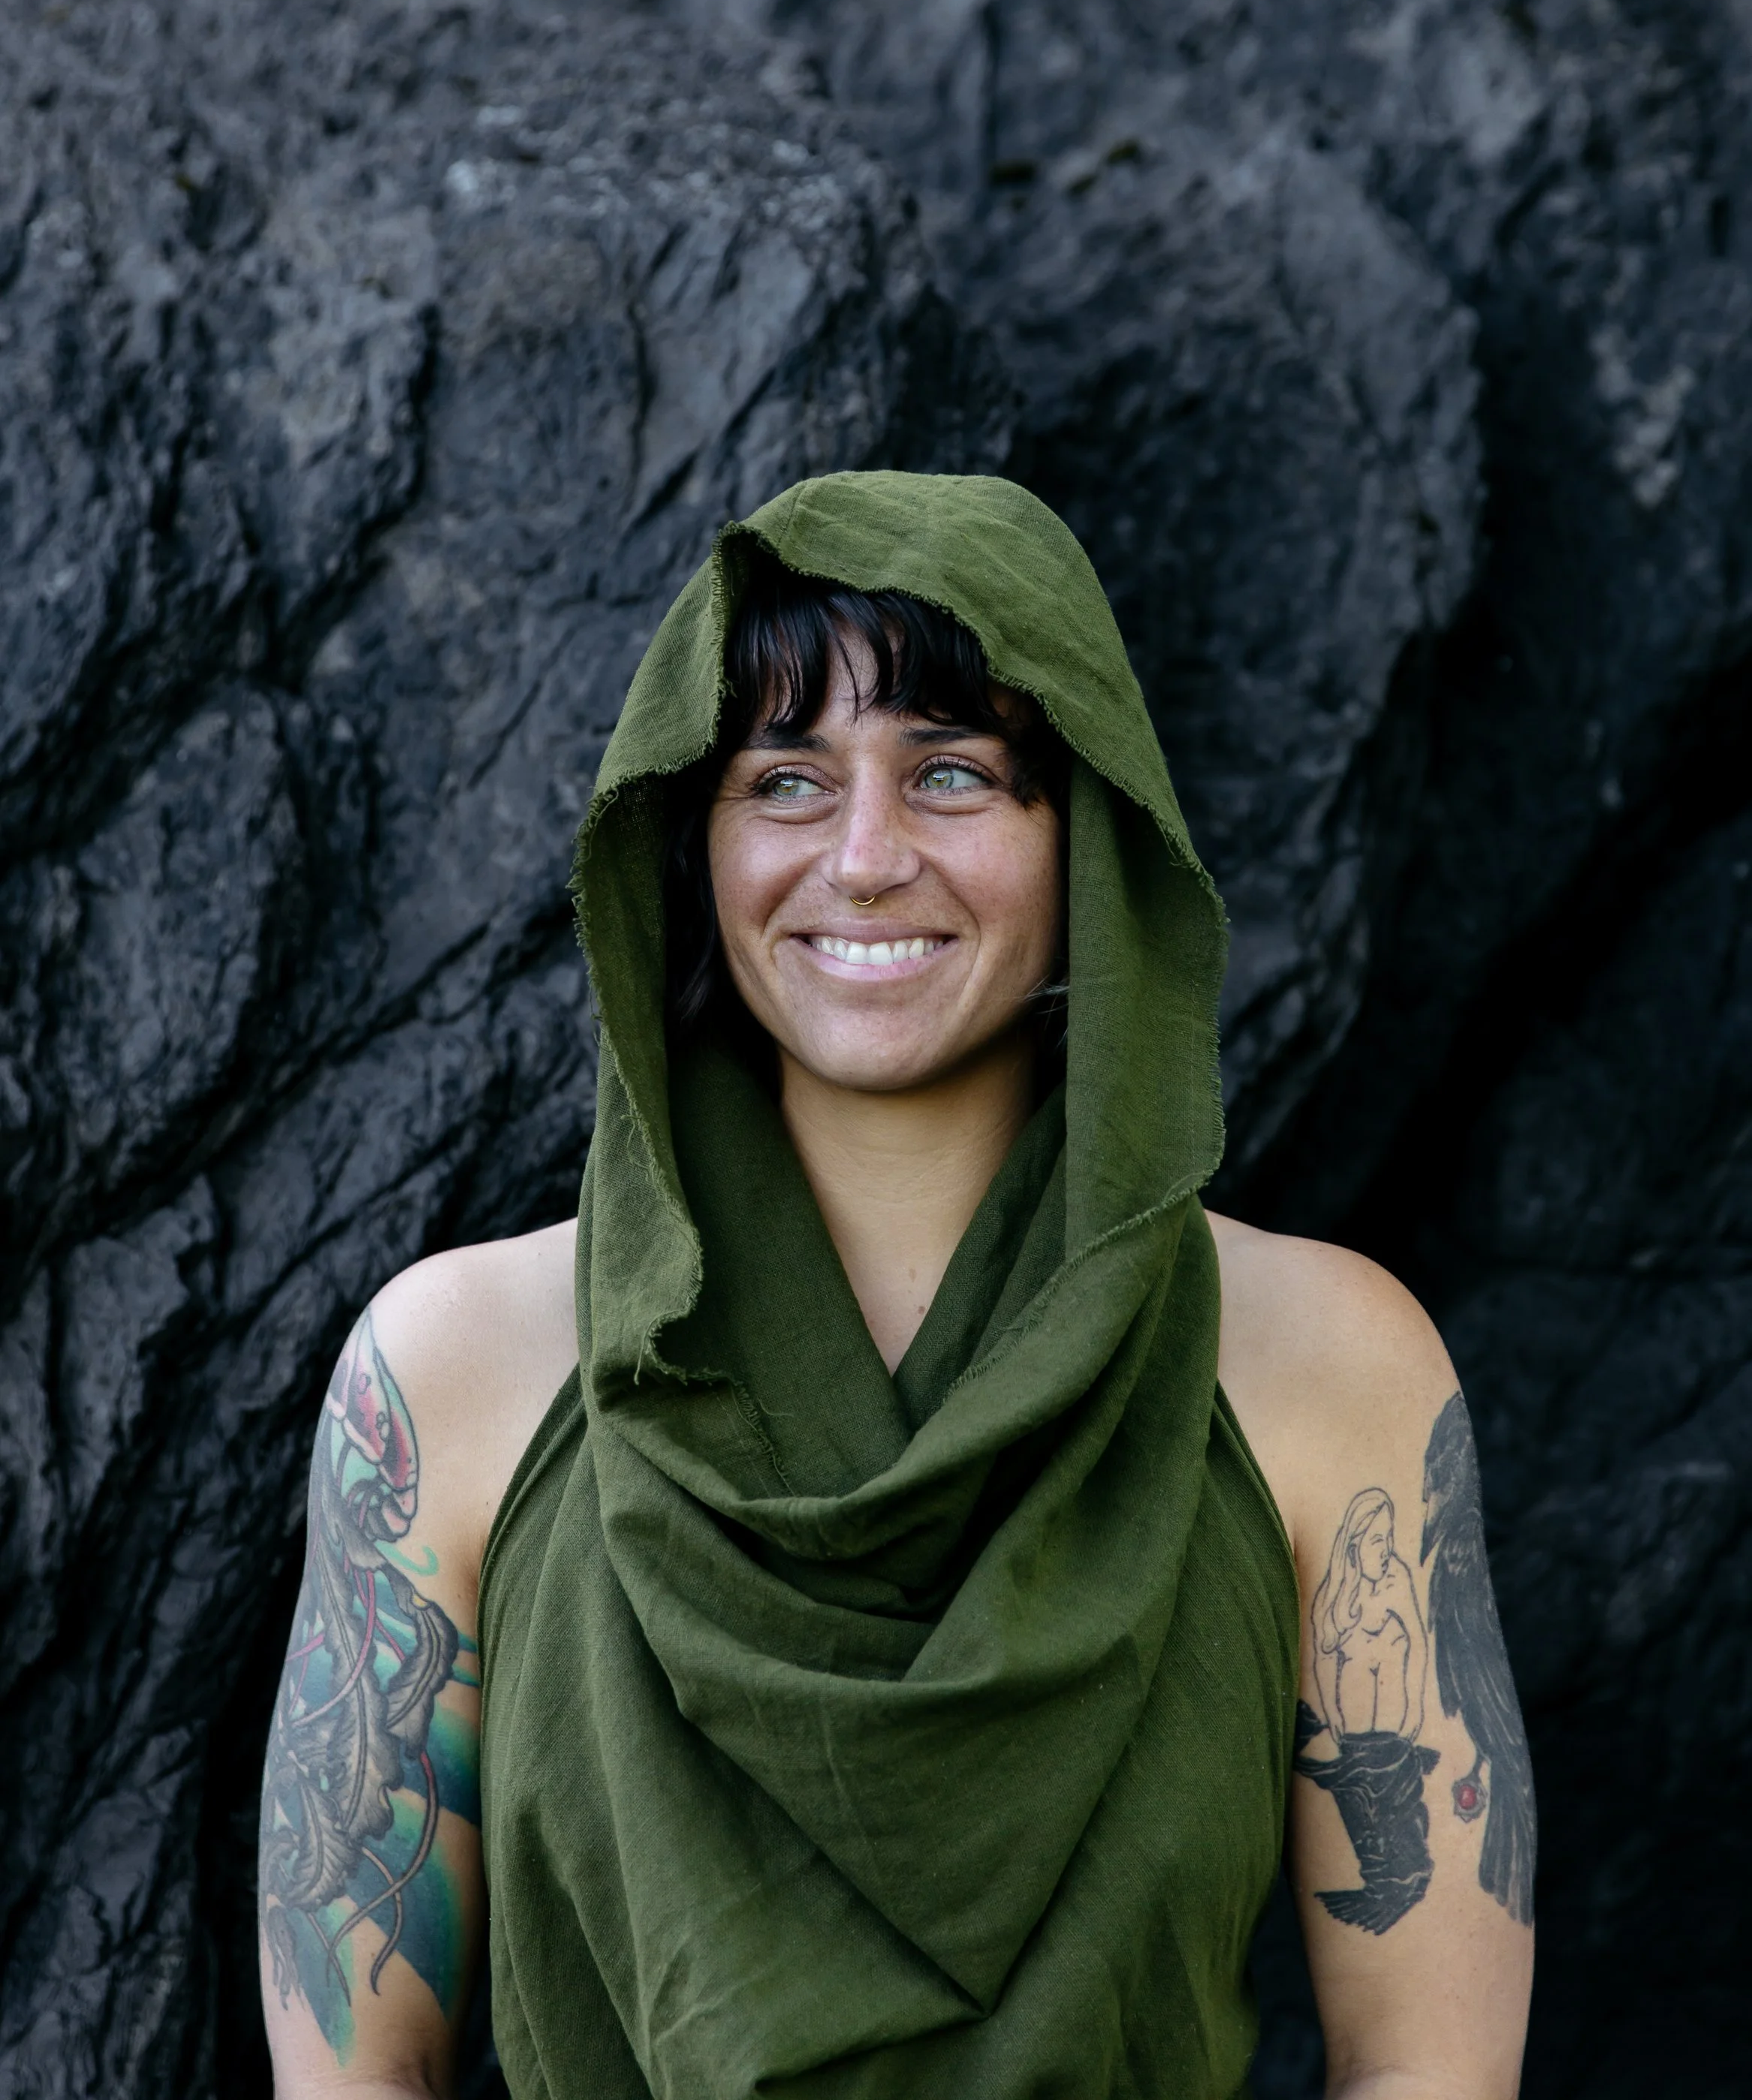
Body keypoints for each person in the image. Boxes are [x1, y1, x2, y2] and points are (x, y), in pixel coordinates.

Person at [259, 471, 1535, 2100]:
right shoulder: (449, 1374)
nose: (864, 859)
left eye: (950, 773)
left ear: (1085, 832)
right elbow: (358, 2073)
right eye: (783, 779)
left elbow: (1423, 2069)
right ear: (685, 847)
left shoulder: (1323, 1361)